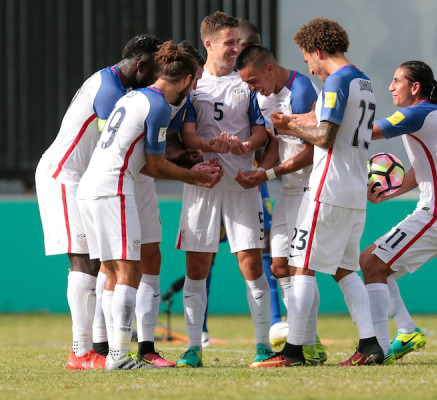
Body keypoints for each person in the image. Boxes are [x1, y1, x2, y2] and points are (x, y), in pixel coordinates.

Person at [76, 41, 220, 370]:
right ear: (185, 79)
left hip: (92, 187)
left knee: (113, 272)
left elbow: (144, 160)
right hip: (114, 188)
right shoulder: (156, 105)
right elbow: (154, 166)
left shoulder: (133, 96)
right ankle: (118, 356)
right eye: (194, 80)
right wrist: (194, 177)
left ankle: (114, 353)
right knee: (130, 270)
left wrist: (187, 168)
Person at [251, 17, 382, 368]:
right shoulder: (363, 82)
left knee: (301, 265)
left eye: (307, 57)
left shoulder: (336, 81)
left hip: (328, 186)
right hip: (354, 188)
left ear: (318, 50)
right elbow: (325, 118)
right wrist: (293, 120)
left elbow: (325, 136)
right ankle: (370, 345)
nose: (307, 64)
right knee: (345, 268)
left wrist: (291, 128)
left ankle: (293, 352)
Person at [35, 34, 162, 370]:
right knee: (84, 263)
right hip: (63, 175)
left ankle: (94, 349)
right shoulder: (109, 90)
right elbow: (115, 145)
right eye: (154, 70)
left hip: (80, 179)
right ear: (140, 66)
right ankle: (80, 351)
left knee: (95, 262)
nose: (156, 79)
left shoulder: (113, 83)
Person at [175, 11, 270, 368]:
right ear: (209, 44)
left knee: (251, 264)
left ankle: (263, 345)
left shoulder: (246, 83)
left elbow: (261, 131)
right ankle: (193, 347)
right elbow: (186, 134)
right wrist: (211, 146)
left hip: (242, 184)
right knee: (196, 267)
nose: (236, 48)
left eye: (238, 42)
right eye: (230, 42)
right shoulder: (193, 85)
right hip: (203, 185)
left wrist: (244, 148)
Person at [361, 61, 437, 363]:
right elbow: (422, 169)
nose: (391, 87)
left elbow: (367, 132)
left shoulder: (418, 114)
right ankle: (405, 329)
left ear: (415, 87)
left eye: (396, 81)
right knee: (378, 266)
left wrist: (323, 125)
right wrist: (389, 192)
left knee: (370, 262)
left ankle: (377, 349)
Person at [235, 44, 327, 364]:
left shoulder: (300, 91)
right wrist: (261, 171)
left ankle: (308, 343)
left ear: (269, 69)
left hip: (309, 189)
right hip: (287, 190)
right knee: (278, 266)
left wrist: (269, 173)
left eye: (253, 80)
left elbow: (312, 150)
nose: (251, 88)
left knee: (302, 268)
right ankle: (304, 337)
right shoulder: (263, 97)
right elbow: (277, 144)